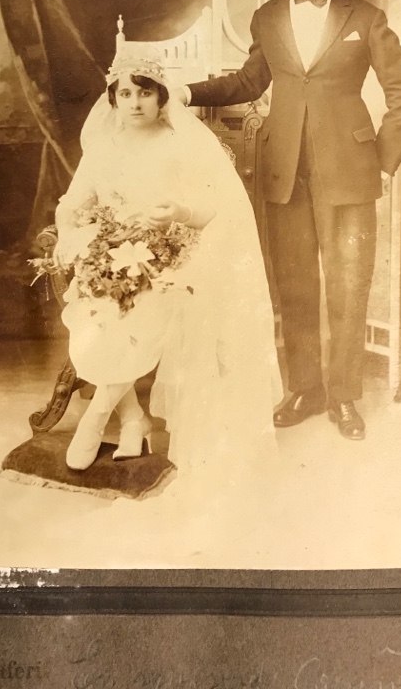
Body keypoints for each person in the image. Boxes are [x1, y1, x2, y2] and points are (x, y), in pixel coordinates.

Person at [179, 0, 401, 440]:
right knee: (293, 287)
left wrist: (381, 161)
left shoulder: (366, 16)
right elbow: (247, 82)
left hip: (349, 173)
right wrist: (187, 92)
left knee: (346, 287)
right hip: (283, 172)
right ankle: (305, 389)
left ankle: (343, 398)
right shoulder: (266, 16)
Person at [54, 44, 283, 485]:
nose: (135, 103)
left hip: (173, 257)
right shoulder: (102, 147)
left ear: (161, 98)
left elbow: (213, 208)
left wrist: (177, 212)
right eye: (125, 95)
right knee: (95, 320)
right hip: (111, 256)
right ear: (113, 100)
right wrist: (71, 235)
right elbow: (72, 202)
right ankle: (134, 420)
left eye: (145, 94)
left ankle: (97, 417)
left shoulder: (181, 145)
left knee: (138, 317)